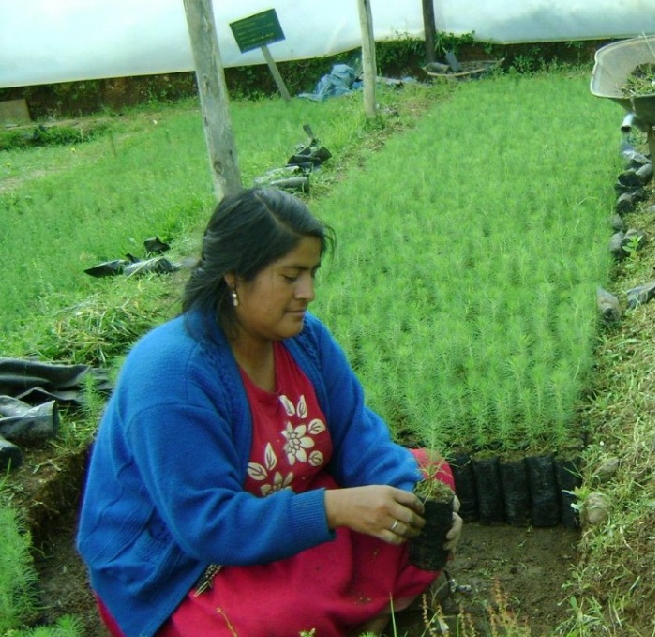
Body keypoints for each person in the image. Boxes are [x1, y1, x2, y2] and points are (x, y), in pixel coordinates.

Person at [76, 187, 463, 637]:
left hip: (287, 510)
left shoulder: (306, 340)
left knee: (426, 474)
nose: (309, 292)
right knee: (270, 622)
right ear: (234, 276)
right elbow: (206, 524)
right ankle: (365, 609)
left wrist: (414, 500)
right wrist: (333, 509)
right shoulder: (172, 376)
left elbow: (359, 438)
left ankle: (356, 610)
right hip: (188, 558)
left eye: (312, 273)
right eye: (291, 276)